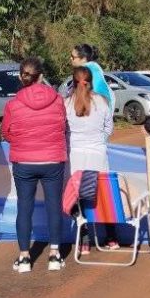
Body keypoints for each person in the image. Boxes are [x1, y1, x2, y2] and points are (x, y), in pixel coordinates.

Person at [1, 57, 68, 272]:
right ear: (42, 76)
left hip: (24, 161)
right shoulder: (58, 100)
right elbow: (62, 126)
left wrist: (21, 142)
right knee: (53, 205)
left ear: (22, 77)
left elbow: (6, 132)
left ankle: (24, 258)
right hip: (52, 159)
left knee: (24, 207)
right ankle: (55, 255)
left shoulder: (12, 104)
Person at [66, 66, 116, 253]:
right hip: (98, 155)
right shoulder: (102, 102)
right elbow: (108, 129)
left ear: (73, 81)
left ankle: (84, 241)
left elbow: (65, 130)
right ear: (91, 80)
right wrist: (98, 140)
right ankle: (111, 238)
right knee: (103, 195)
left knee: (79, 198)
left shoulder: (67, 103)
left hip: (76, 156)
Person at [71, 44, 114, 115]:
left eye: (73, 57)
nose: (71, 59)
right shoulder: (95, 67)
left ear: (83, 59)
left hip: (95, 110)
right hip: (104, 109)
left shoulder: (85, 72)